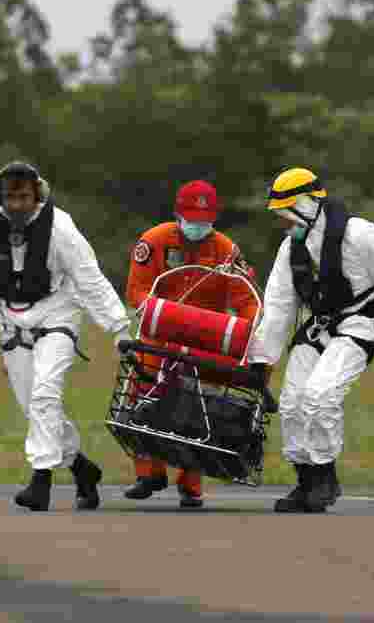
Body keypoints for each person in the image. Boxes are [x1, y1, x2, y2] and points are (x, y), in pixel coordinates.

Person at [0, 161, 132, 512]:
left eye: (24, 196)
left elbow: (90, 279)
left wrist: (119, 328)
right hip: (10, 323)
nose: (17, 205)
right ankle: (82, 468)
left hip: (57, 315)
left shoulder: (62, 229)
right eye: (10, 198)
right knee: (35, 408)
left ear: (38, 195)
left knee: (44, 394)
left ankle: (41, 483)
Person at [246, 167, 374, 513]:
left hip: (361, 323)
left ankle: (325, 478)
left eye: (285, 211)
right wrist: (262, 360)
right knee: (292, 402)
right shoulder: (291, 248)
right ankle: (305, 483)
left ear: (305, 203)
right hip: (319, 326)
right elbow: (277, 307)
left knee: (320, 394)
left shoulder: (360, 234)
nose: (282, 221)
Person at [123, 180, 260, 508]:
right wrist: (165, 315)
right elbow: (137, 291)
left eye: (205, 220)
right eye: (192, 218)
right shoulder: (154, 242)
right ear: (177, 214)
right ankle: (148, 473)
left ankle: (191, 484)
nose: (198, 226)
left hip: (204, 340)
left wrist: (252, 332)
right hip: (158, 337)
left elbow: (246, 299)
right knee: (141, 398)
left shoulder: (226, 249)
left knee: (195, 409)